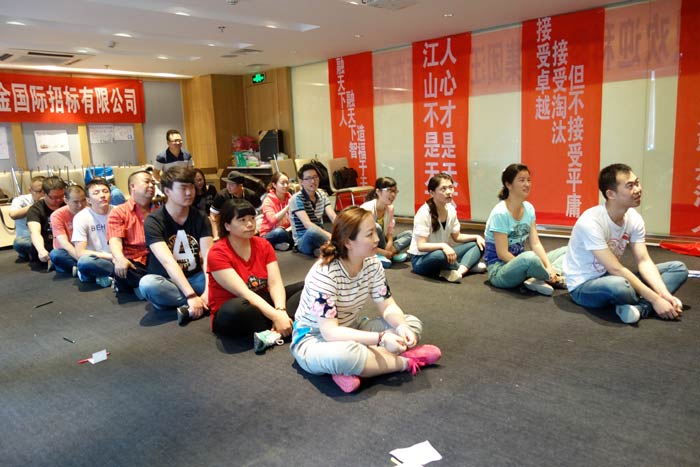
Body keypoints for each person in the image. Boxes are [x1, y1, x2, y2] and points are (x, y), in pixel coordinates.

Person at [291, 206, 442, 393]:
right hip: (314, 339)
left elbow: (387, 306)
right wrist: (381, 339)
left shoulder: (372, 263)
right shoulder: (324, 273)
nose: (377, 239)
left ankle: (356, 368)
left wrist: (402, 327)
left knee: (412, 324)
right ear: (348, 242)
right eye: (370, 234)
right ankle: (406, 361)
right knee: (346, 355)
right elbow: (330, 333)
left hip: (351, 328)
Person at [564, 163, 688, 324]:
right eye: (630, 186)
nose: (638, 189)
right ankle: (648, 304)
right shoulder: (590, 221)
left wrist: (664, 295)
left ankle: (640, 309)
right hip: (584, 286)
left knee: (678, 268)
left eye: (637, 183)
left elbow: (643, 261)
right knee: (620, 287)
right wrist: (656, 299)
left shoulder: (634, 218)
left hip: (612, 276)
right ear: (611, 194)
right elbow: (615, 268)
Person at [207, 198, 304, 339]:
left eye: (252, 218)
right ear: (227, 225)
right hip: (238, 306)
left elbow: (275, 283)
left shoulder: (263, 244)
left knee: (308, 286)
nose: (250, 224)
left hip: (261, 300)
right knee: (235, 310)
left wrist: (280, 310)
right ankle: (286, 324)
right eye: (242, 220)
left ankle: (279, 325)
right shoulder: (217, 253)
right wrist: (274, 315)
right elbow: (243, 292)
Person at [139, 166, 212, 324]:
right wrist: (191, 295)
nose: (189, 192)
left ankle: (188, 306)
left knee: (224, 277)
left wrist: (208, 291)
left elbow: (208, 257)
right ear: (167, 191)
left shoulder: (201, 217)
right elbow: (168, 262)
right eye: (183, 188)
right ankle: (201, 303)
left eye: (192, 187)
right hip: (168, 281)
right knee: (147, 284)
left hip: (196, 277)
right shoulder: (154, 221)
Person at [483, 164, 566, 296]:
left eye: (528, 180)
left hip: (523, 263)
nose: (527, 184)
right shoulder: (500, 213)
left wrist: (549, 267)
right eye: (521, 180)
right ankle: (547, 277)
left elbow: (535, 243)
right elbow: (503, 254)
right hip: (500, 270)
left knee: (567, 250)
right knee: (529, 258)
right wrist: (529, 265)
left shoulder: (529, 208)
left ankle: (542, 276)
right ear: (508, 184)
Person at [407, 173, 485, 283]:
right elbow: (421, 246)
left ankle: (459, 271)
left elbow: (457, 237)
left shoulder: (451, 209)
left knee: (478, 244)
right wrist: (443, 246)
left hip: (444, 252)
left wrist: (476, 236)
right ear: (432, 193)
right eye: (443, 189)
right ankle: (467, 266)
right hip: (421, 260)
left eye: (450, 187)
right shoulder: (424, 212)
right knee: (440, 255)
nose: (449, 192)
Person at [107, 170, 157, 295]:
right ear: (132, 186)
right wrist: (119, 258)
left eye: (153, 183)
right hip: (133, 262)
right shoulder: (119, 212)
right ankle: (153, 286)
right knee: (124, 270)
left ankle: (146, 288)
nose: (151, 185)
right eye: (147, 182)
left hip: (156, 258)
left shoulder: (160, 210)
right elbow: (114, 239)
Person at [360, 176, 412, 268]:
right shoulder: (366, 209)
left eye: (395, 191)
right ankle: (385, 254)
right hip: (367, 244)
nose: (393, 194)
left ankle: (387, 254)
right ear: (378, 191)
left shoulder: (390, 208)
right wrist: (382, 251)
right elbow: (361, 239)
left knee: (410, 234)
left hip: (383, 241)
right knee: (376, 227)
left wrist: (390, 243)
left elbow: (389, 229)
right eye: (389, 190)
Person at [72, 178, 114, 287]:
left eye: (105, 191)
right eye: (96, 193)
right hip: (98, 259)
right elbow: (80, 252)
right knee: (84, 262)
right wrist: (110, 256)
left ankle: (101, 275)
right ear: (88, 200)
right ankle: (113, 274)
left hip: (118, 257)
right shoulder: (81, 217)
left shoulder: (118, 211)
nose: (102, 195)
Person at [289, 163, 337, 257]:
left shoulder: (322, 194)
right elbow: (307, 224)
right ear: (301, 182)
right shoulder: (296, 199)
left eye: (315, 177)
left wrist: (344, 230)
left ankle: (321, 250)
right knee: (312, 231)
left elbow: (332, 216)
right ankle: (334, 246)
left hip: (319, 233)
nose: (313, 181)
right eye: (308, 178)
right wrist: (331, 237)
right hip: (303, 240)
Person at [26, 176, 66, 267]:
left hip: (65, 244)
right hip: (46, 245)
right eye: (54, 197)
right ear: (44, 193)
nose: (59, 200)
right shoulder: (35, 209)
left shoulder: (67, 204)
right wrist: (41, 250)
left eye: (61, 196)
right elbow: (35, 232)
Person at [210, 170, 262, 239]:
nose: (228, 187)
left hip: (248, 226)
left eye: (231, 184)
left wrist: (256, 228)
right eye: (227, 184)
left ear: (240, 185)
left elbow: (261, 213)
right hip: (227, 228)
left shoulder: (251, 195)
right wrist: (216, 235)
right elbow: (212, 215)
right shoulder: (221, 196)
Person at [48, 184, 87, 274]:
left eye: (83, 200)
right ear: (66, 200)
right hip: (68, 251)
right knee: (56, 254)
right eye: (75, 202)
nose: (80, 205)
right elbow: (64, 243)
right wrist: (81, 259)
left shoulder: (89, 211)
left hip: (85, 249)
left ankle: (79, 269)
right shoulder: (57, 215)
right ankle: (84, 268)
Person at [9, 175, 45, 262]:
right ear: (30, 190)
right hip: (27, 239)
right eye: (39, 191)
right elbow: (13, 215)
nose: (43, 194)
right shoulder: (20, 200)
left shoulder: (51, 200)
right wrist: (36, 205)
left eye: (45, 191)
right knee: (19, 243)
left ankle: (37, 253)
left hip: (46, 237)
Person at [259, 171, 294, 251]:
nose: (286, 185)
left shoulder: (290, 198)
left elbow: (296, 219)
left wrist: (290, 229)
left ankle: (278, 245)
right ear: (274, 185)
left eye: (287, 183)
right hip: (269, 233)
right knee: (279, 232)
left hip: (287, 231)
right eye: (282, 183)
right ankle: (278, 244)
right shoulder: (268, 201)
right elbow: (273, 220)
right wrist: (288, 207)